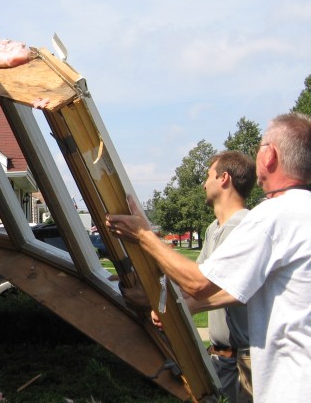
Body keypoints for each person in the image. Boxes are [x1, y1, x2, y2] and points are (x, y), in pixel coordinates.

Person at [106, 112, 311, 402]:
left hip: (292, 386)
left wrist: (143, 235)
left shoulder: (272, 217)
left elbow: (199, 283)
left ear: (271, 156)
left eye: (261, 146)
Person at [193, 151, 255, 403]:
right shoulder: (213, 228)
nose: (204, 183)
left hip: (245, 363)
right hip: (222, 359)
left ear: (224, 178)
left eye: (209, 176)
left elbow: (210, 286)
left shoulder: (244, 226)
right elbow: (195, 277)